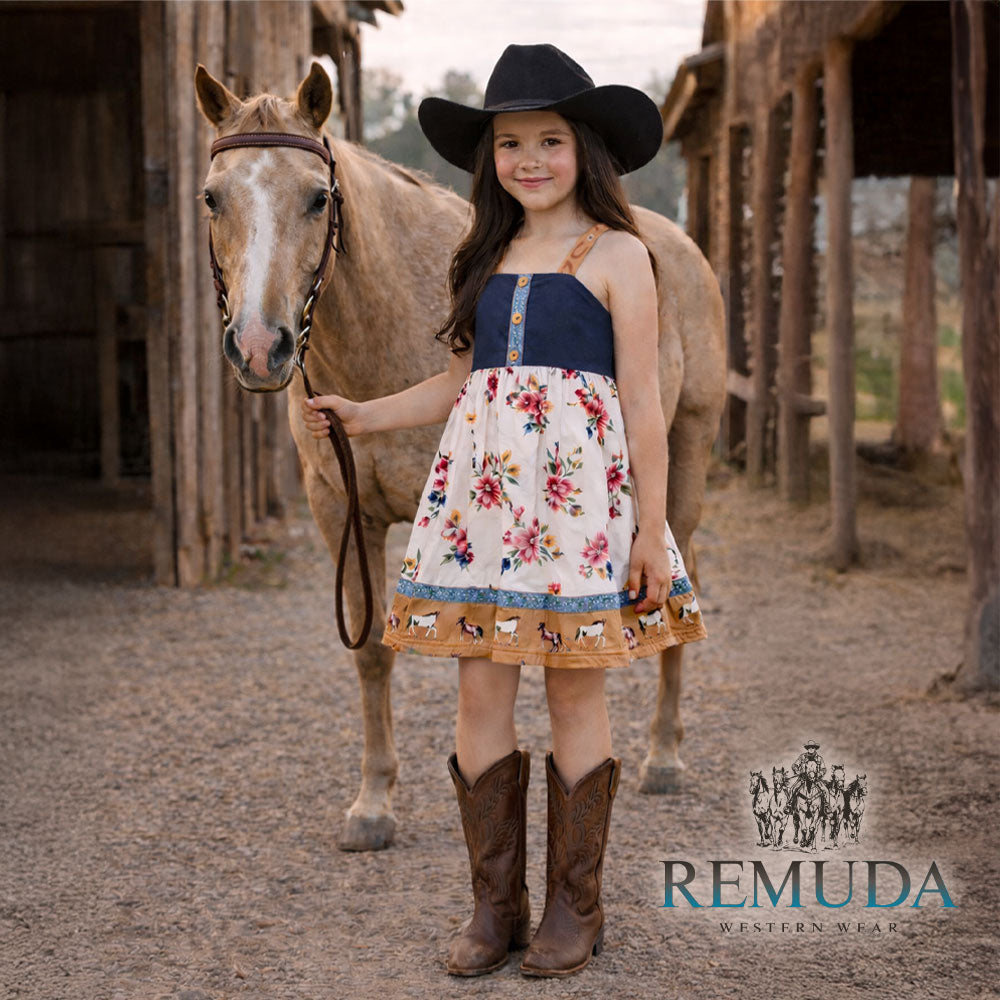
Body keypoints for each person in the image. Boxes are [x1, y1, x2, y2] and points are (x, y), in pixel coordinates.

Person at [301, 43, 707, 978]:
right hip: (482, 513)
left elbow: (642, 404)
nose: (529, 159)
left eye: (550, 140)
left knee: (573, 687)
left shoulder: (619, 257)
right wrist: (364, 416)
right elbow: (461, 383)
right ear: (489, 160)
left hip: (573, 516)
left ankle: (577, 905)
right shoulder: (481, 256)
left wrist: (650, 530)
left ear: (587, 152)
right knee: (480, 688)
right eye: (510, 143)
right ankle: (495, 906)